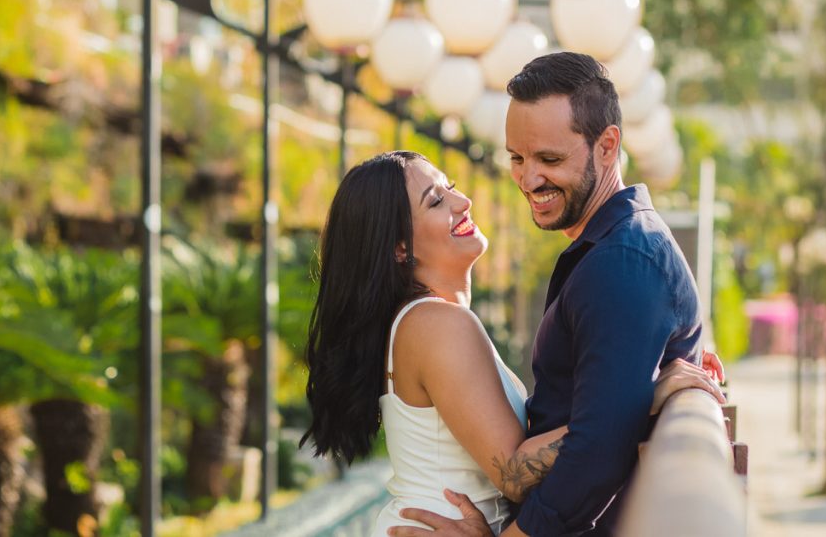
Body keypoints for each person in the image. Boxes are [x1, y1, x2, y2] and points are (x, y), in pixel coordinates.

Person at [301, 148, 723, 536]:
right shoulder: (435, 324)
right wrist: (639, 396)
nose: (461, 202)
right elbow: (512, 471)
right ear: (399, 248)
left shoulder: (431, 320)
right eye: (436, 201)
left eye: (450, 187)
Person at [388, 52, 717, 537]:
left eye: (550, 159)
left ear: (607, 147)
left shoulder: (621, 263)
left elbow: (593, 456)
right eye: (517, 158)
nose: (528, 179)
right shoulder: (607, 251)